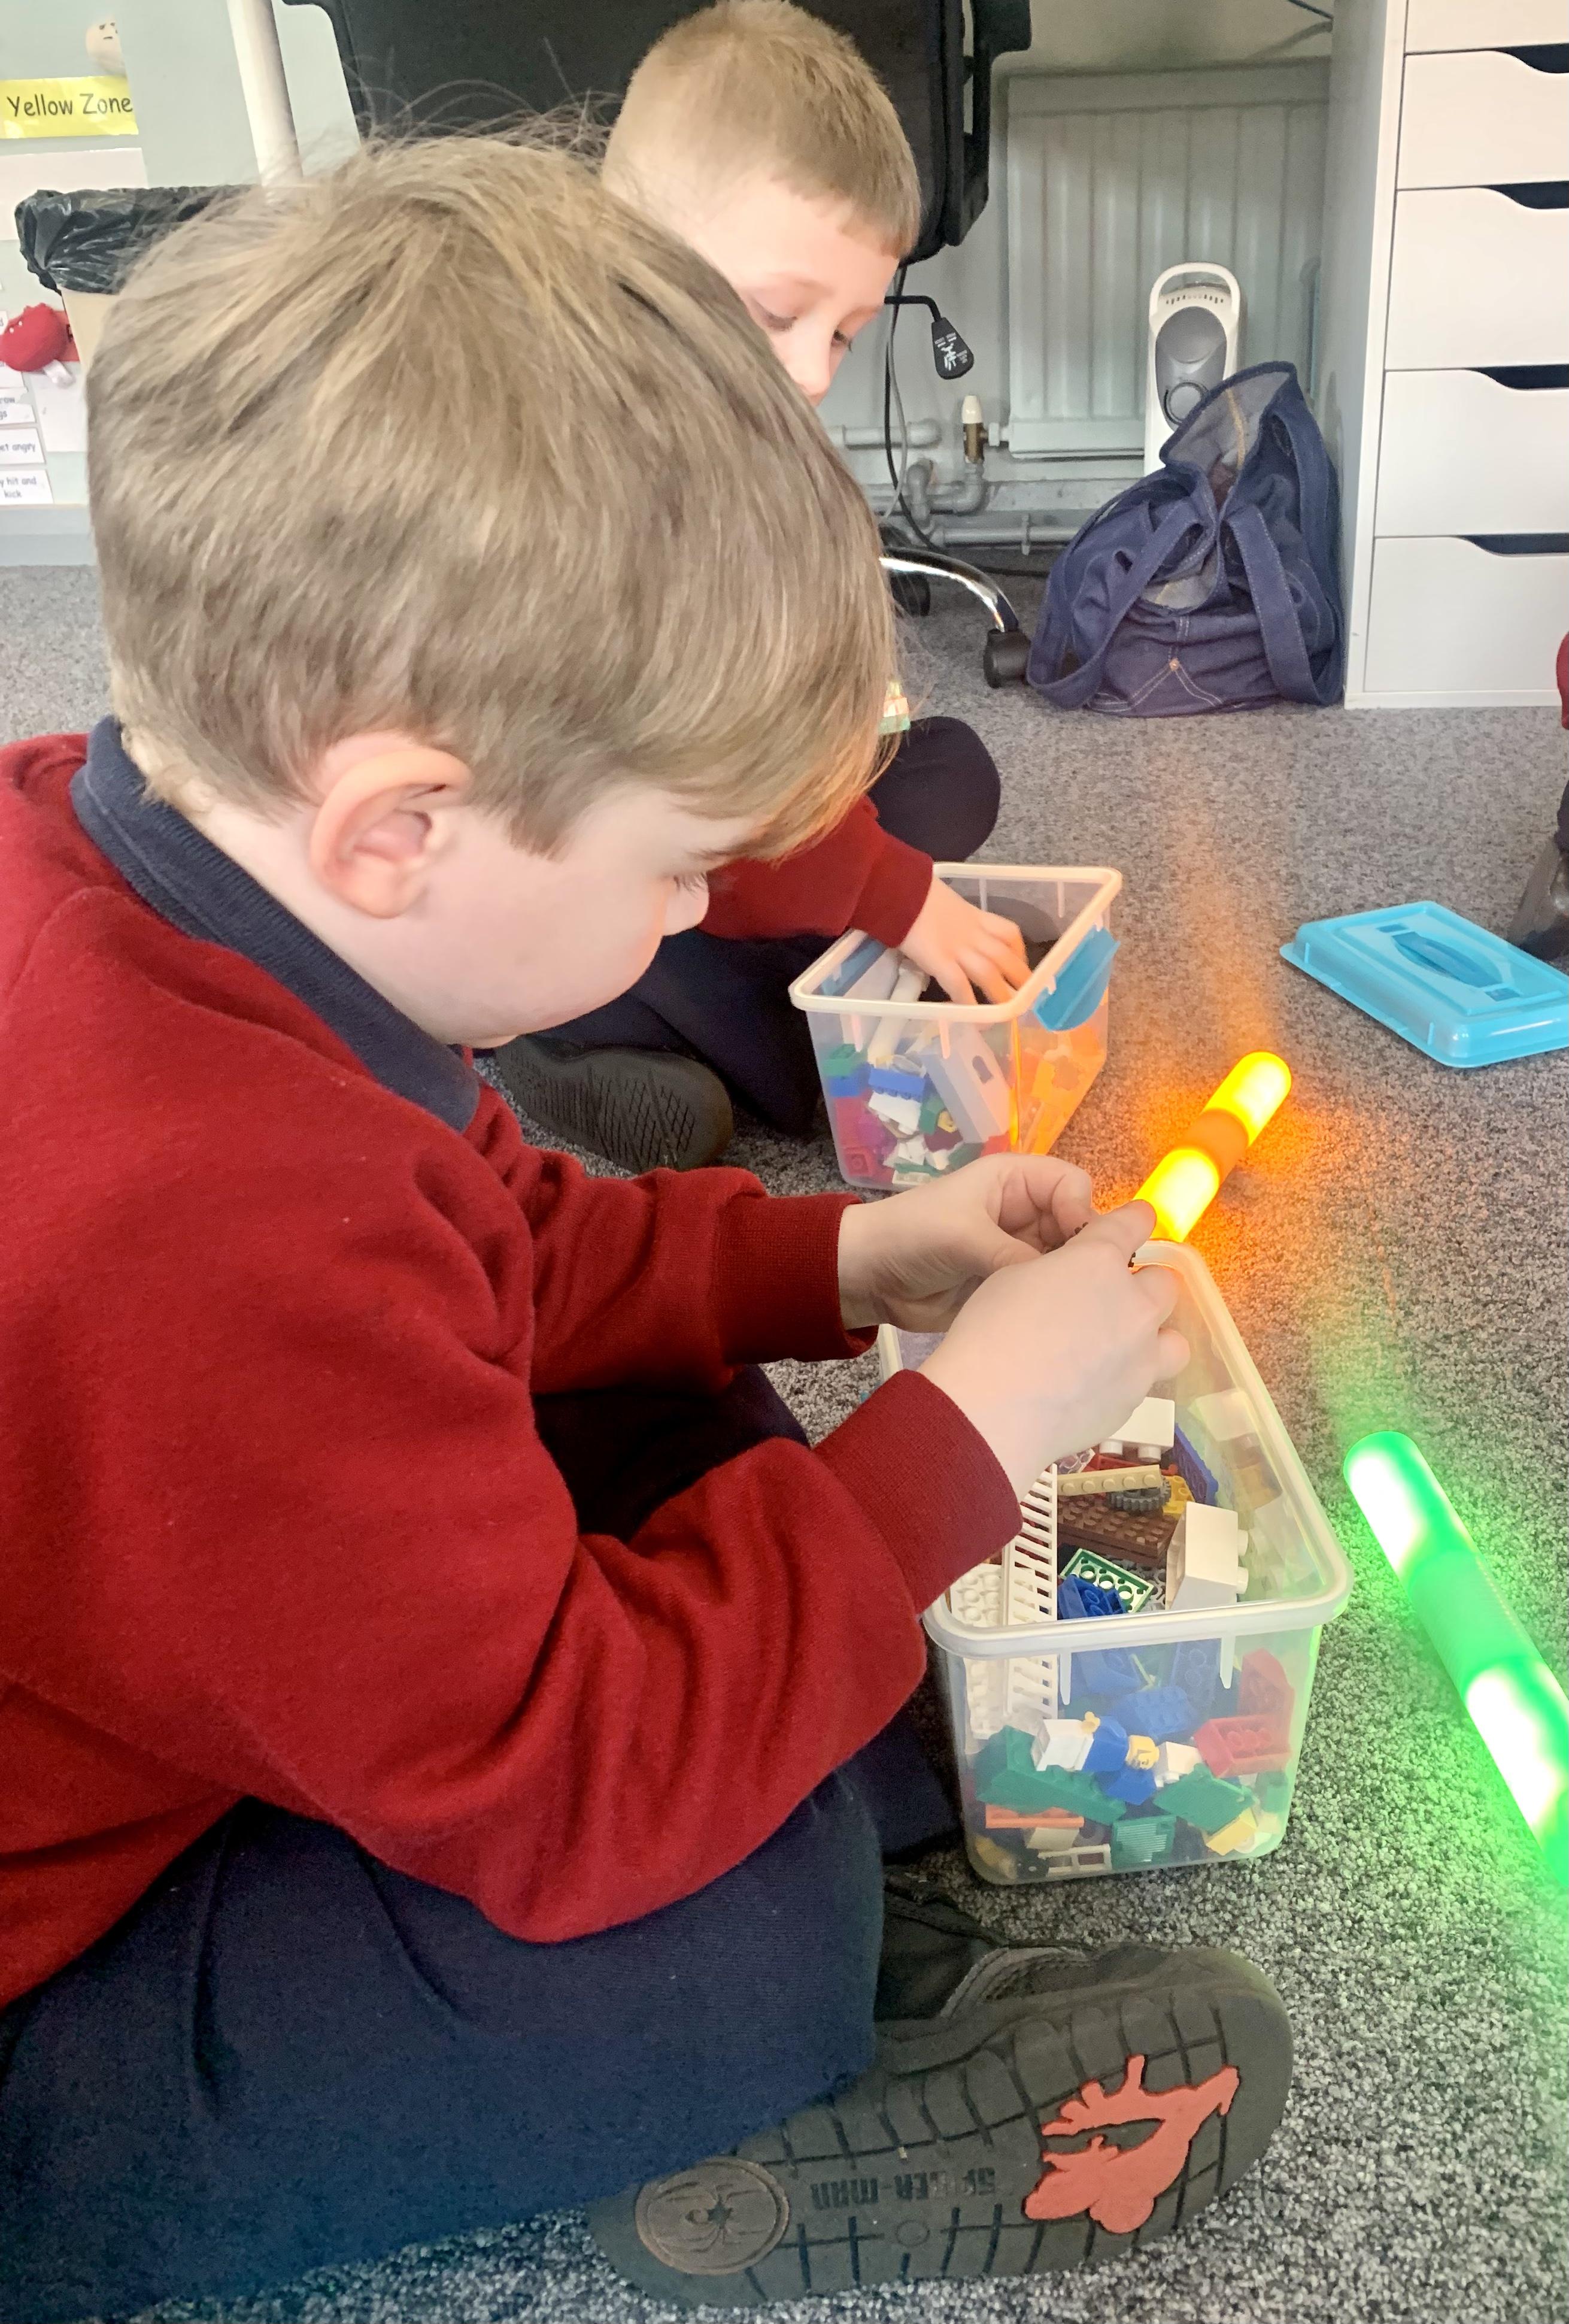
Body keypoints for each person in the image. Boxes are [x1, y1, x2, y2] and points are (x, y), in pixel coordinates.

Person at [0, 136, 1288, 2322]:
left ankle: (820, 1793)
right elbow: (560, 1783)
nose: (703, 914)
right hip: (55, 2015)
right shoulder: (197, 1214)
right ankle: (776, 2036)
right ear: (397, 826)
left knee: (673, 1406)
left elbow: (493, 1251)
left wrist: (844, 1262)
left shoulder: (152, 868)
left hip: (204, 1670)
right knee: (723, 1931)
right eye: (679, 866)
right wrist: (969, 1441)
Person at [494, 0, 1029, 1170]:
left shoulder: (732, 428)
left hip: (731, 820)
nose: (811, 373)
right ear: (625, 255)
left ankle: (749, 984)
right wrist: (896, 898)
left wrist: (846, 758)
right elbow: (704, 803)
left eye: (842, 335)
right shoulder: (588, 484)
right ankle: (562, 1037)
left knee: (950, 771)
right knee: (796, 1048)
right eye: (779, 314)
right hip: (619, 848)